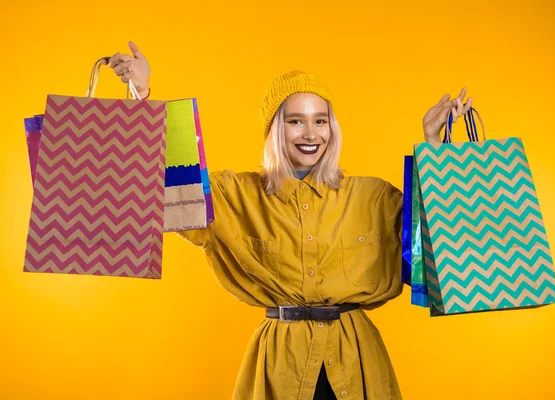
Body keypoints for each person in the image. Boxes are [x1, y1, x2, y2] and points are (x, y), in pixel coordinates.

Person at [104, 41, 473, 400]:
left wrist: (431, 143)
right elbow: (167, 190)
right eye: (295, 121)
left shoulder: (372, 197)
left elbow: (435, 248)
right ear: (275, 130)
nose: (311, 134)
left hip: (359, 365)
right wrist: (142, 95)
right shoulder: (235, 196)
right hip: (279, 369)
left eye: (320, 120)